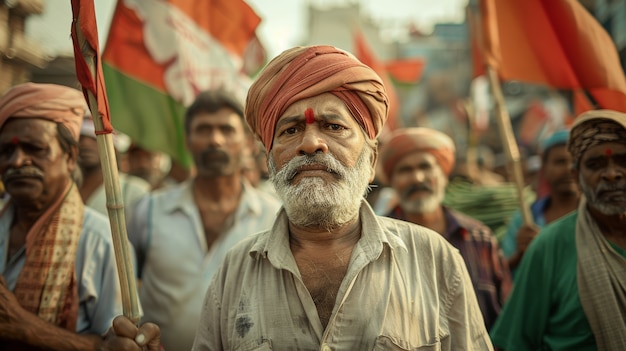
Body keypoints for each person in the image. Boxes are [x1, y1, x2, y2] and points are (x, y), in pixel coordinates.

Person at [191, 45, 493, 350]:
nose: (310, 144)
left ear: (372, 160)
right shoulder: (234, 272)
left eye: (333, 126)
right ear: (269, 161)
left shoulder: (435, 259)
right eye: (291, 130)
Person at [0, 82, 160, 350]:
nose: (17, 161)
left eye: (35, 149)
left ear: (70, 156)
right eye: (6, 151)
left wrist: (24, 326)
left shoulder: (101, 242)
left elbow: (118, 345)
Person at [127, 89, 282, 351]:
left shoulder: (275, 217)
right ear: (187, 141)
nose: (215, 140)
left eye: (226, 129)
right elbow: (126, 288)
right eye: (203, 129)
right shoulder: (149, 210)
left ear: (246, 142)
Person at [490, 109, 626, 350]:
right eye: (595, 164)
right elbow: (512, 342)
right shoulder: (549, 246)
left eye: (623, 161)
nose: (612, 174)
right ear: (578, 175)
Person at [380, 127, 512, 331]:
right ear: (392, 181)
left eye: (426, 167)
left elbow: (506, 318)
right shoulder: (378, 242)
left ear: (443, 176)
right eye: (405, 170)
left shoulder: (478, 238)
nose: (418, 178)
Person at [501, 130, 580, 274]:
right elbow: (503, 273)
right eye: (560, 162)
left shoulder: (598, 217)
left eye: (574, 162)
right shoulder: (526, 219)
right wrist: (522, 254)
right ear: (544, 167)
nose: (568, 169)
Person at [78, 116, 151, 222]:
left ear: (114, 149)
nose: (85, 144)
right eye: (80, 138)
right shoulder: (62, 188)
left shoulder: (134, 191)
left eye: (95, 139)